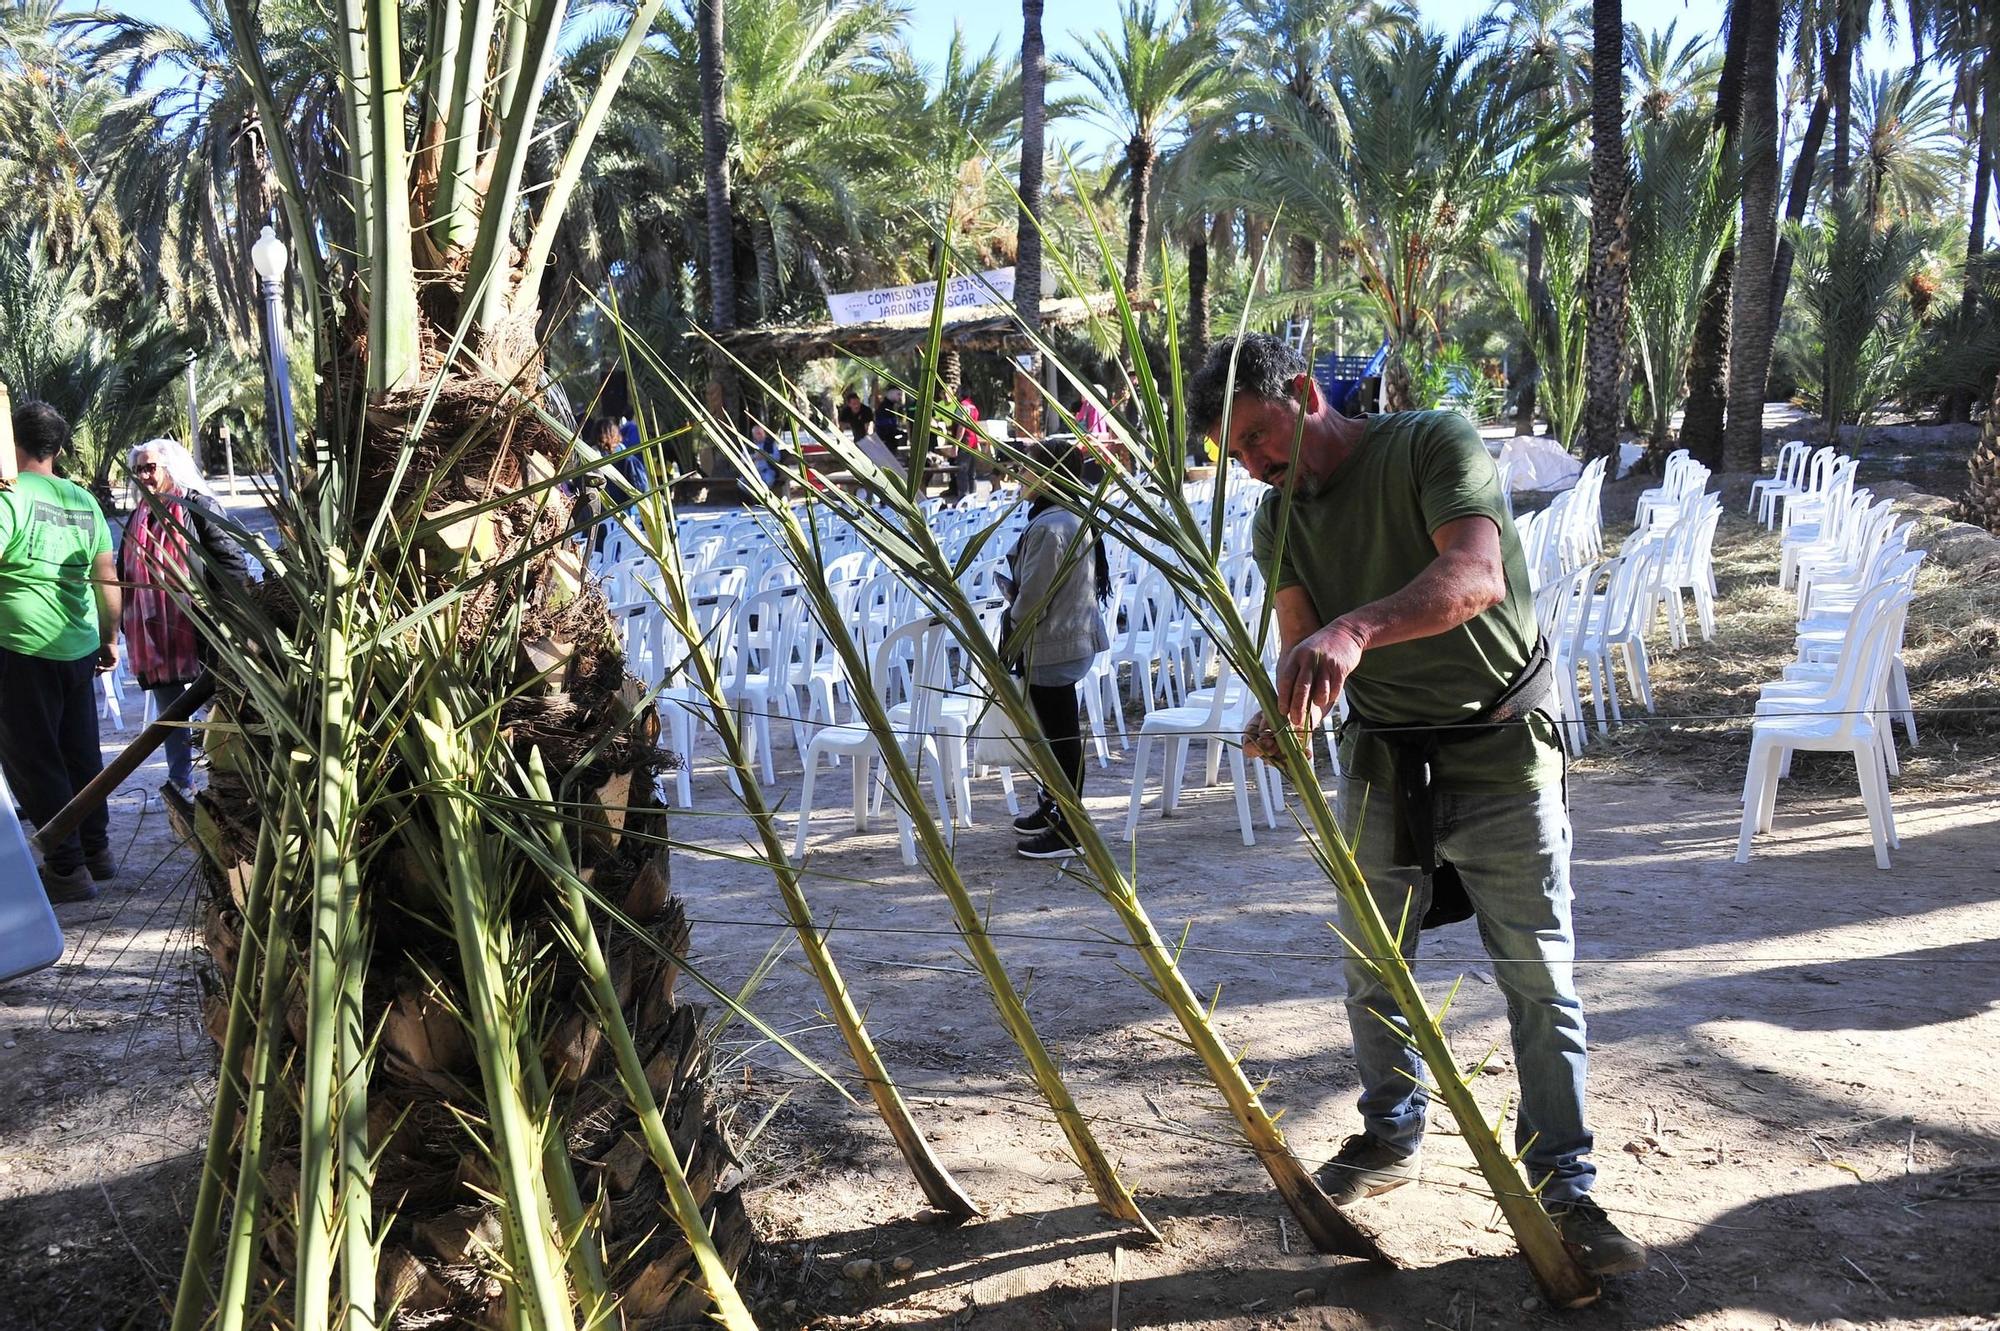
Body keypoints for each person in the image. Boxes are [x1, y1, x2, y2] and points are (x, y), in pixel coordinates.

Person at [1187, 333, 1646, 1277]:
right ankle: (1391, 1135)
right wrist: (1286, 711)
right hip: (1383, 760)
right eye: (1235, 454)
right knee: (1370, 966)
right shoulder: (1278, 518)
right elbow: (1301, 642)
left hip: (1501, 746)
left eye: (1261, 436)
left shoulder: (1433, 443)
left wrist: (1358, 630)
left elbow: (1473, 578)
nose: (1256, 464)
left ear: (1306, 393)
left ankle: (1565, 1184)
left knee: (1535, 974)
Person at [0, 401, 121, 903]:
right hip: (78, 643)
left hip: (19, 644)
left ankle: (67, 869)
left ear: (11, 443)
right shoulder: (82, 500)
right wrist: (110, 638)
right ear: (60, 448)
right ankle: (97, 850)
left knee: (34, 759)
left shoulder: (9, 498)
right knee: (80, 754)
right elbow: (107, 577)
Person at [119, 439, 252, 800]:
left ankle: (232, 781)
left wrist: (232, 617)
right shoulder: (138, 516)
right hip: (155, 636)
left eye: (150, 468)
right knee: (171, 713)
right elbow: (124, 574)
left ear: (170, 468)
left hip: (202, 628)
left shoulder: (197, 506)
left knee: (219, 706)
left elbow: (230, 561)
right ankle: (182, 781)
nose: (144, 476)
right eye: (140, 469)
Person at [1002, 440, 1111, 860]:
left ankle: (1070, 827)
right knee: (1057, 732)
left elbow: (1033, 599)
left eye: (1028, 470)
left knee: (1060, 737)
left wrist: (1011, 616)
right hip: (1070, 637)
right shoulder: (1067, 515)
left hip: (1054, 644)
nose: (1021, 477)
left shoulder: (1050, 526)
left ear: (1049, 477)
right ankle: (1055, 809)